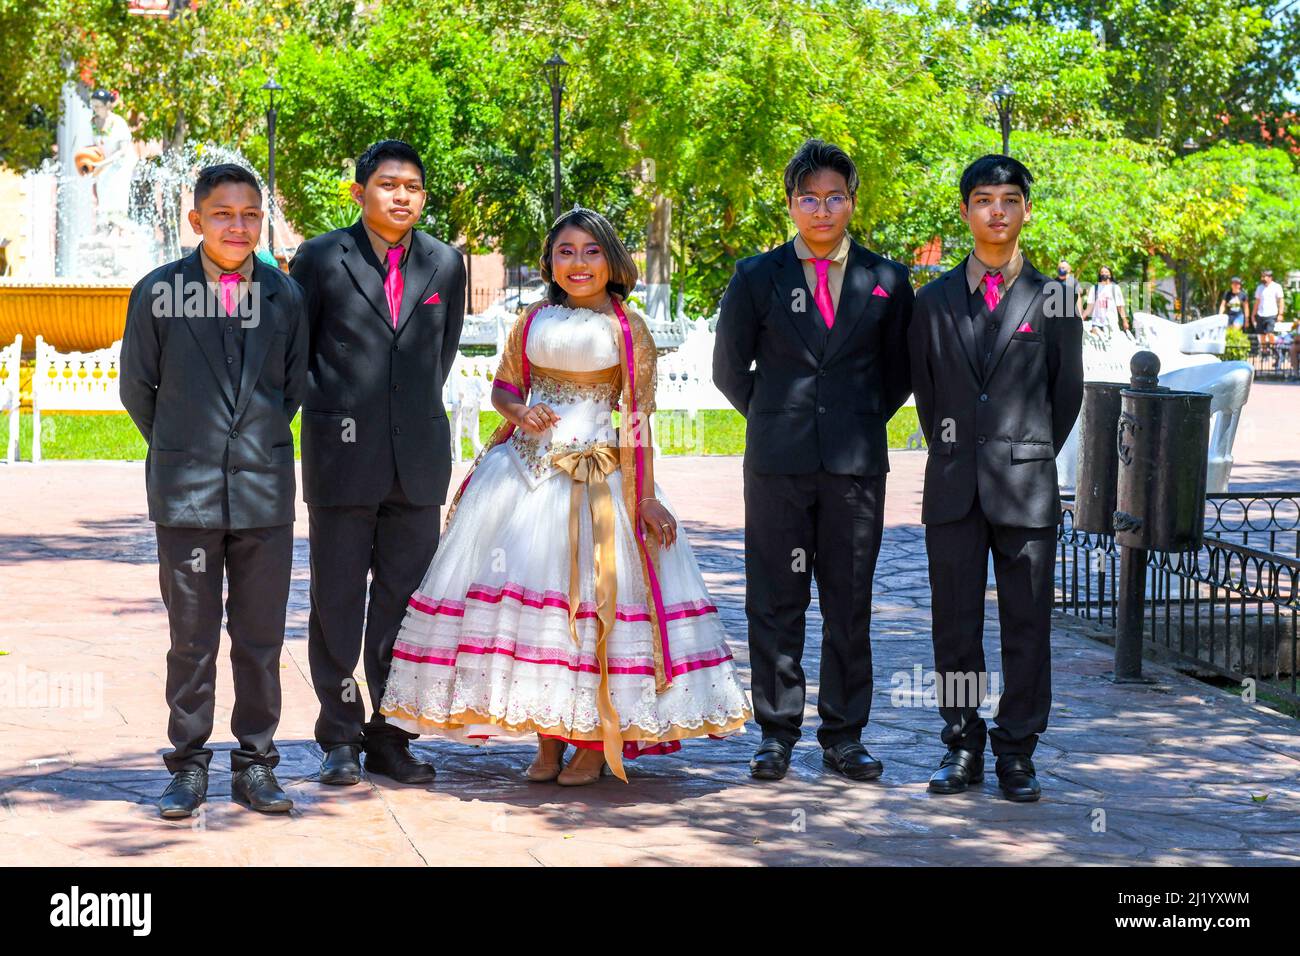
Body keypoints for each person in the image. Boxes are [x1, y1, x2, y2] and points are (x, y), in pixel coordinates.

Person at [377, 207, 751, 785]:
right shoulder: (531, 319)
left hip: (602, 483)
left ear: (612, 259)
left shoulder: (628, 328)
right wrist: (520, 411)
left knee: (590, 611)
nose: (578, 263)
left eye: (591, 251)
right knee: (533, 617)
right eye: (565, 252)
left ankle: (593, 741)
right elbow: (505, 387)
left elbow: (639, 417)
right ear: (551, 261)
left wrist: (646, 497)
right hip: (525, 479)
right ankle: (547, 738)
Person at [713, 138, 914, 783]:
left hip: (855, 466)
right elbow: (727, 371)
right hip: (777, 464)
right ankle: (775, 733)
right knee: (775, 598)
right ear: (791, 206)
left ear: (852, 202)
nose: (821, 209)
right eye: (808, 198)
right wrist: (780, 417)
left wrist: (851, 418)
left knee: (849, 600)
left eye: (834, 197)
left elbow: (899, 374)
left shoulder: (886, 280)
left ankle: (845, 735)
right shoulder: (755, 277)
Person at [119, 164, 308, 817]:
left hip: (264, 491)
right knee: (191, 638)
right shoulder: (157, 292)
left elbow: (290, 386)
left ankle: (256, 763)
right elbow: (138, 389)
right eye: (223, 213)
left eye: (250, 213)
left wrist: (247, 443)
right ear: (195, 219)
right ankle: (188, 766)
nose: (238, 225)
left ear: (262, 220)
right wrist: (189, 443)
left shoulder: (285, 295)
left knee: (259, 639)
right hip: (186, 492)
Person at [289, 141, 466, 787]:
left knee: (404, 605)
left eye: (413, 187)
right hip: (341, 457)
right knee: (337, 602)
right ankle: (338, 735)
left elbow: (437, 357)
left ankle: (390, 736)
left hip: (416, 461)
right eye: (388, 184)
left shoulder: (446, 263)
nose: (401, 196)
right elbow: (297, 350)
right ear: (359, 190)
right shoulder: (319, 257)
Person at [908, 154, 1083, 802]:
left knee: (1027, 626)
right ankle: (961, 746)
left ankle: (1017, 753)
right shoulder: (931, 302)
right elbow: (929, 397)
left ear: (1026, 210)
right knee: (954, 628)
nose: (998, 211)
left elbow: (1067, 394)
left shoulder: (1054, 298)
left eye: (1010, 199)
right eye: (984, 199)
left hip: (1027, 488)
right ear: (965, 212)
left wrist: (1027, 453)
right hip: (953, 488)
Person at [86, 89, 136, 228]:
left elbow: (123, 150)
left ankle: (118, 227)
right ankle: (105, 225)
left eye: (98, 106)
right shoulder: (93, 123)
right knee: (102, 190)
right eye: (93, 106)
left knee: (117, 190)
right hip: (104, 163)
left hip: (122, 163)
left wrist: (103, 163)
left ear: (107, 105)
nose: (95, 109)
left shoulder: (118, 123)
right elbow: (93, 145)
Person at [1082, 265, 1127, 335]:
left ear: (1110, 274)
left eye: (1106, 272)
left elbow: (1120, 307)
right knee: (1097, 345)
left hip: (1111, 323)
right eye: (1102, 272)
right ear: (1100, 274)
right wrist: (1082, 318)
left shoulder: (1115, 288)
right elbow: (1089, 307)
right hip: (1096, 323)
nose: (1104, 274)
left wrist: (1125, 321)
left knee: (1112, 345)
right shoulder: (1094, 288)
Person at [1253, 268, 1286, 359]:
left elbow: (1281, 300)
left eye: (1264, 276)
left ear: (1270, 277)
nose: (1262, 278)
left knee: (1270, 333)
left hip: (1272, 314)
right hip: (1261, 314)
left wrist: (1281, 313)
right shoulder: (1259, 287)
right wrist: (1253, 314)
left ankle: (1274, 349)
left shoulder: (1277, 286)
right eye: (1262, 276)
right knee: (1262, 335)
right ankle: (1265, 352)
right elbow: (1257, 301)